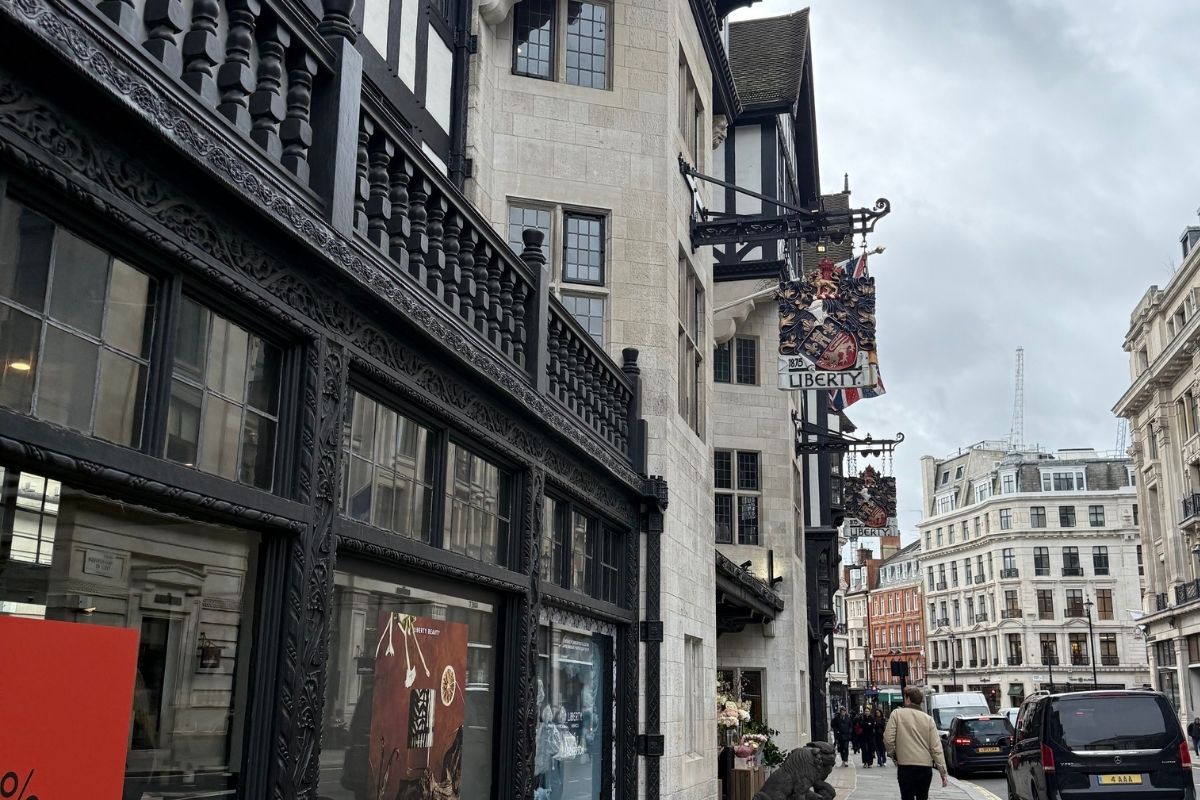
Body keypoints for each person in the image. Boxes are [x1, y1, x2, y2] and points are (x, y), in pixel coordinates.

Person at [883, 686, 948, 800]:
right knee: (922, 797)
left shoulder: (897, 714)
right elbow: (936, 748)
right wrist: (943, 772)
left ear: (908, 699)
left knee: (906, 797)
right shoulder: (928, 719)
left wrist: (893, 755)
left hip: (905, 766)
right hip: (924, 767)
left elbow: (888, 739)